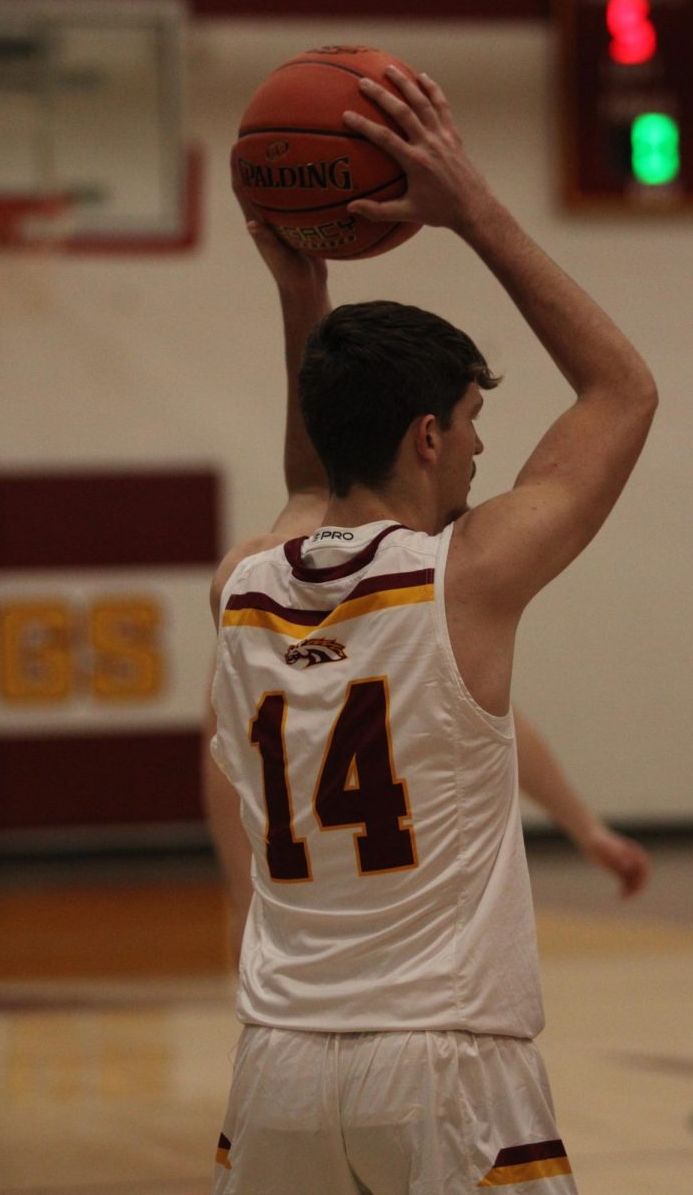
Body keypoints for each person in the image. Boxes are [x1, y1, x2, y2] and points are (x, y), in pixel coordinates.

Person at [208, 67, 657, 1195]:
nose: (477, 451)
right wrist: (468, 208)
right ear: (423, 435)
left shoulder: (244, 585)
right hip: (444, 1064)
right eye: (470, 423)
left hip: (276, 1070)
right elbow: (619, 392)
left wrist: (300, 296)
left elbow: (312, 484)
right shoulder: (466, 578)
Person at [202, 705, 650, 968]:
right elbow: (495, 717)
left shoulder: (252, 584)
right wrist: (586, 829)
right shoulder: (424, 585)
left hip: (334, 939)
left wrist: (245, 901)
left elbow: (493, 719)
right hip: (398, 938)